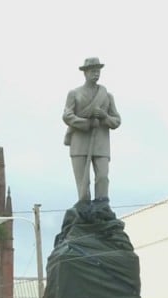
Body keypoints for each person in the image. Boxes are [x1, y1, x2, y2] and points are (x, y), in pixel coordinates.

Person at [63, 57, 121, 203]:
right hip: (79, 143)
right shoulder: (74, 93)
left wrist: (104, 116)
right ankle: (84, 207)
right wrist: (86, 123)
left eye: (98, 71)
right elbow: (67, 115)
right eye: (93, 71)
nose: (96, 74)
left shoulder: (107, 95)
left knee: (102, 177)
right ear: (85, 73)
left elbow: (116, 121)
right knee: (83, 182)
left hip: (101, 143)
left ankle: (102, 206)